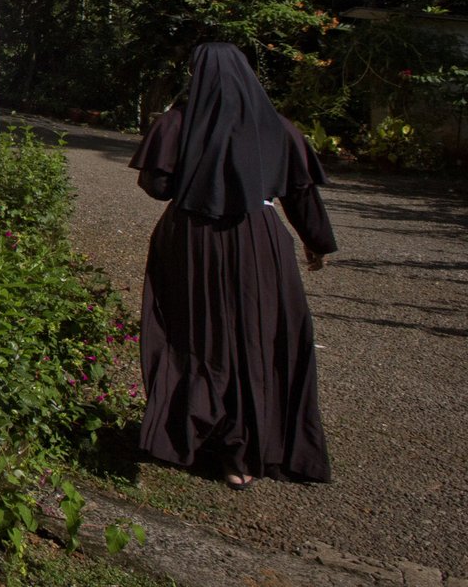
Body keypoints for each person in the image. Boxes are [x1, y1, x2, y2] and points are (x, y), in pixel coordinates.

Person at [130, 42, 336, 486]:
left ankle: (191, 432)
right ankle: (244, 453)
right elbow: (300, 192)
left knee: (195, 334)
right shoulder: (277, 127)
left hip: (191, 241)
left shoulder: (179, 124)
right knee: (257, 338)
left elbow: (157, 184)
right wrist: (316, 242)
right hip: (259, 242)